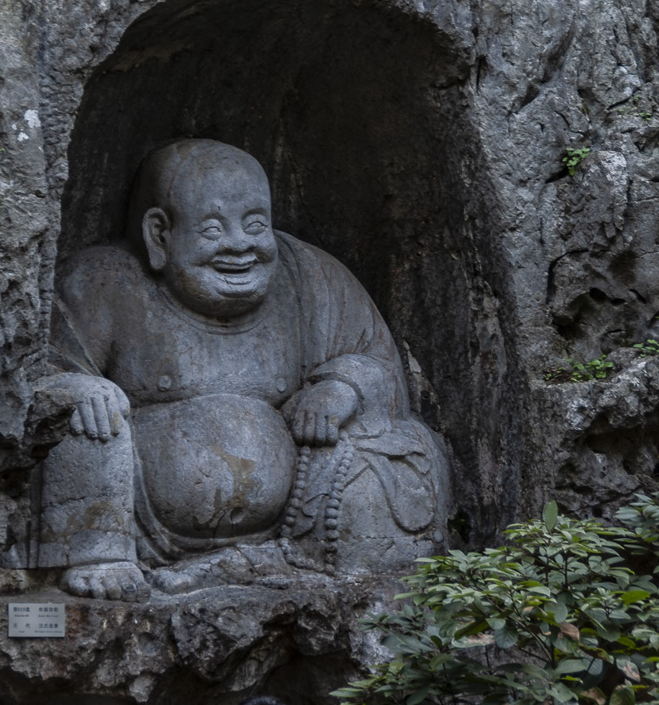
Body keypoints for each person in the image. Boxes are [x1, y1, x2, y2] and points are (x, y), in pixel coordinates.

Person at [34, 140, 450, 599]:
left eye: (255, 224)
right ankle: (99, 555)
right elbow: (43, 377)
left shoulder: (312, 279)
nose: (239, 245)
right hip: (142, 521)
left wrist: (343, 386)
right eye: (212, 230)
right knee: (89, 414)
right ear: (160, 235)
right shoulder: (103, 282)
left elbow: (382, 367)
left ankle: (273, 559)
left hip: (296, 515)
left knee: (405, 447)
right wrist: (81, 388)